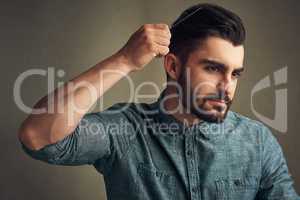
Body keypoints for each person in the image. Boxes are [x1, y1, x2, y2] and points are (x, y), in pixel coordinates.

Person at [18, 3, 299, 200]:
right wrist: (124, 60)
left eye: (235, 73)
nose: (227, 86)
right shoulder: (125, 130)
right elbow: (37, 136)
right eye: (213, 68)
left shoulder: (258, 141)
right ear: (173, 67)